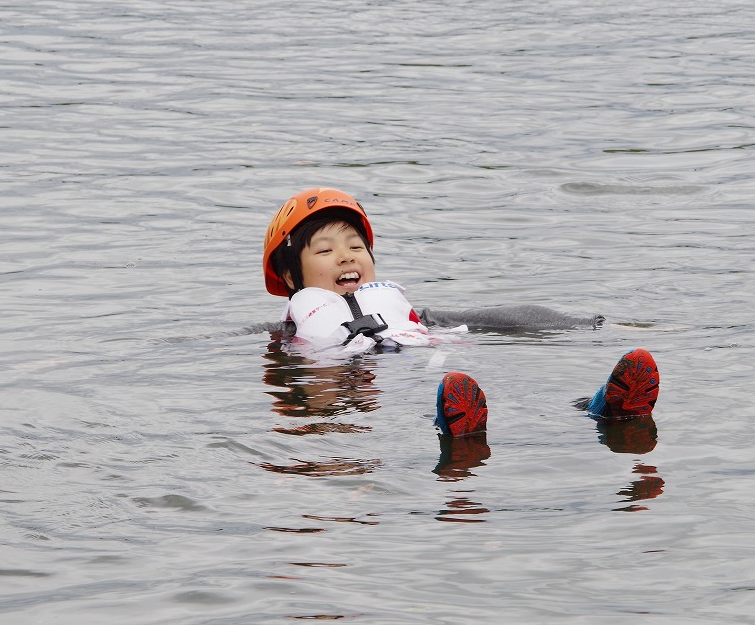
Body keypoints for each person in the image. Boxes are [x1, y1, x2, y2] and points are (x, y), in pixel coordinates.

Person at [262, 187, 660, 440]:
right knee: (417, 401)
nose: (347, 255)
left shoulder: (408, 313)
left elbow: (504, 316)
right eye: (325, 250)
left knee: (508, 386)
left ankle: (604, 406)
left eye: (356, 246)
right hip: (369, 389)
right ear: (289, 275)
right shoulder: (287, 330)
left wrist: (589, 323)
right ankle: (454, 428)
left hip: (429, 362)